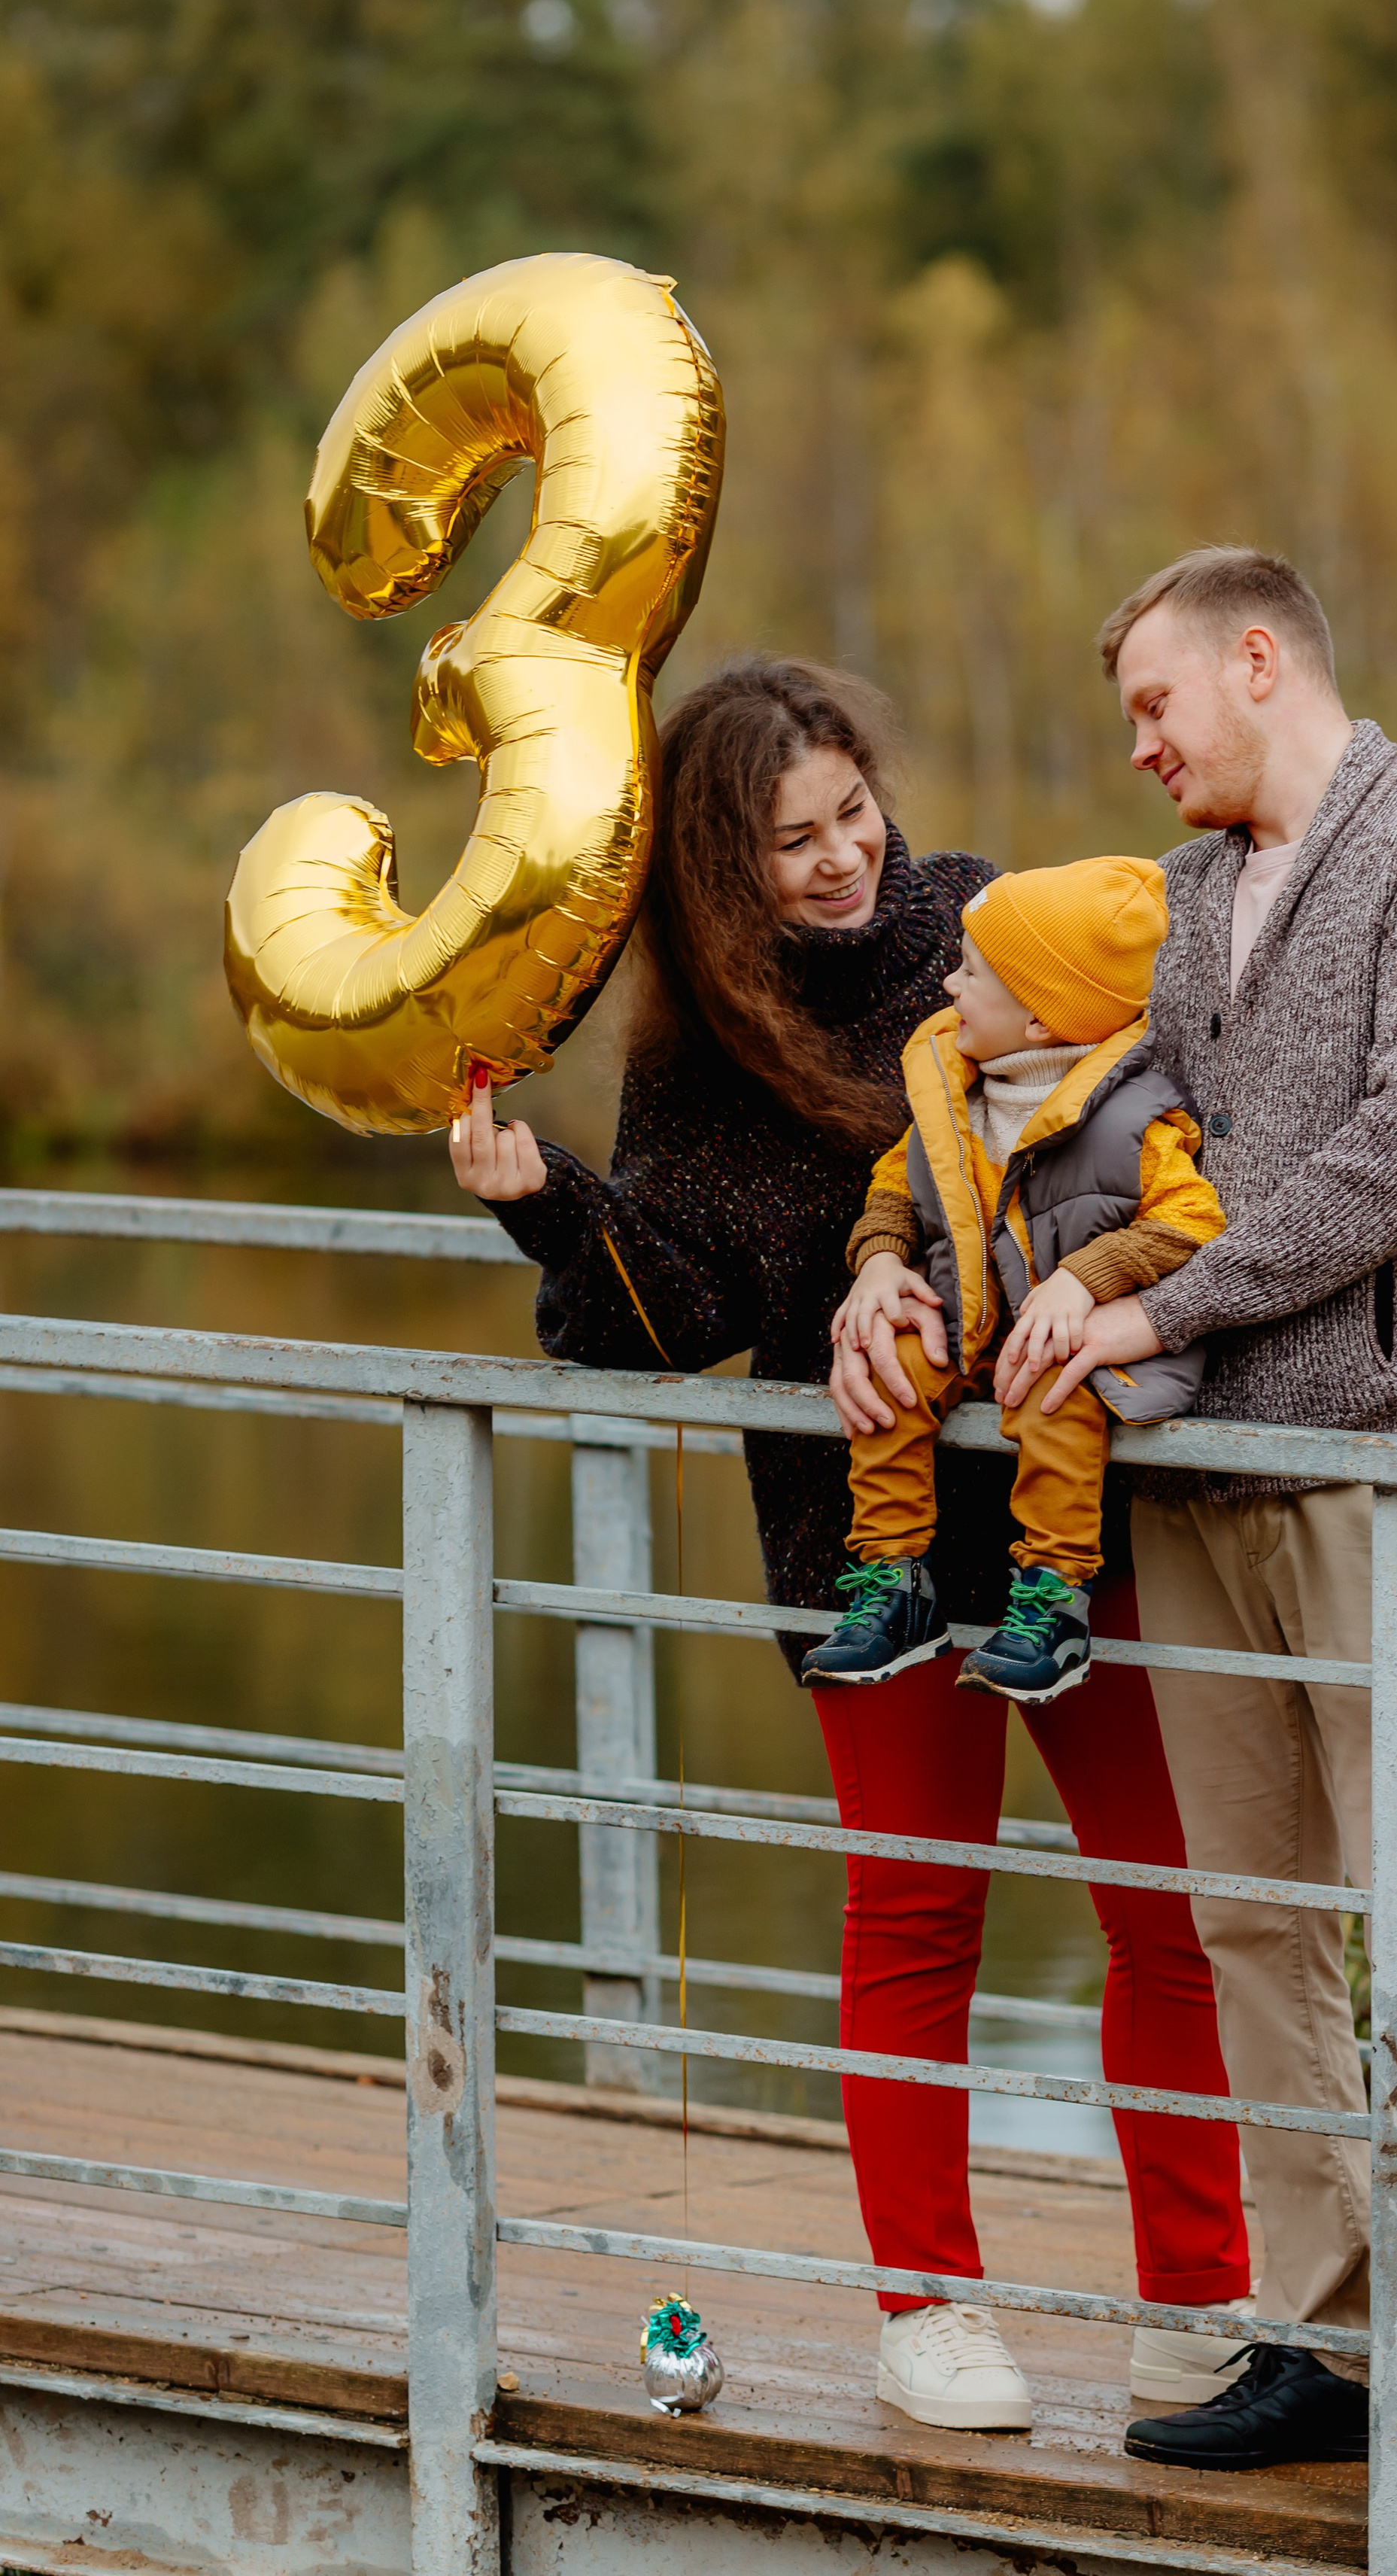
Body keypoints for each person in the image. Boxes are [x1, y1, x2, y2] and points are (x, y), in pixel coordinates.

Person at [450, 656, 1252, 2438]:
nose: (837, 861)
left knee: (1168, 1911)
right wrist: (544, 1201)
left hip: (1069, 1509)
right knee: (914, 1916)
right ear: (722, 879)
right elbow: (679, 1302)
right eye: (787, 843)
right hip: (859, 1533)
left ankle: (1197, 2307)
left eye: (848, 814)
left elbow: (1138, 1128)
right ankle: (924, 2306)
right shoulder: (702, 1054)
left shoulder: (986, 924)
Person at [861, 547, 1397, 2511]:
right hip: (1193, 1495)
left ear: (1261, 661)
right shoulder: (1168, 905)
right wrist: (889, 1259)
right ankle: (1324, 2339)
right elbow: (1021, 1099)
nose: (1142, 749)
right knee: (1249, 1928)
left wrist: (1155, 1301)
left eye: (1159, 708)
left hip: (1390, 1479)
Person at [810, 857, 1223, 1704]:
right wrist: (880, 1259)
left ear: (1039, 1022)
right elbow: (897, 1183)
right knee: (889, 1370)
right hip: (963, 1318)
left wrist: (1084, 1279)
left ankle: (1052, 1603)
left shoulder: (1130, 1119)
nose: (949, 984)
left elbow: (1190, 1222)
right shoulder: (952, 1089)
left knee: (1057, 1396)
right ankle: (893, 1582)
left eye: (971, 971)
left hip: (1063, 1337)